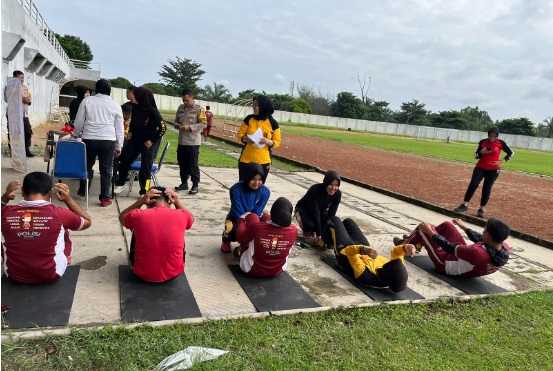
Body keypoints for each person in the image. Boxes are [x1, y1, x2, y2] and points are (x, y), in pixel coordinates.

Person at [1, 172, 92, 284]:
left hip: (14, 275)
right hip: (51, 274)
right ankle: (64, 259)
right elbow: (87, 222)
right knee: (63, 230)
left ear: (23, 191)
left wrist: (5, 197)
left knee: (7, 234)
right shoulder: (60, 214)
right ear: (50, 193)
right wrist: (68, 199)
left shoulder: (6, 212)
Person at [119, 186, 194, 282]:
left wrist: (141, 201)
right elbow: (191, 218)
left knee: (134, 226)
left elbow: (122, 217)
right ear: (169, 202)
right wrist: (177, 202)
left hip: (142, 274)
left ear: (148, 202)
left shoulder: (138, 215)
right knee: (180, 228)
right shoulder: (182, 214)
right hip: (173, 273)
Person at [394, 218, 510, 277]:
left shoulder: (477, 253)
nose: (483, 231)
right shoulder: (504, 247)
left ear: (488, 235)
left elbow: (447, 246)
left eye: (484, 230)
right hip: (464, 260)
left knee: (424, 228)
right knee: (447, 225)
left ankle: (405, 245)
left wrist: (430, 232)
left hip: (445, 264)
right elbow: (480, 238)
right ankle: (416, 242)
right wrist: (463, 227)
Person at [322, 216, 413, 292]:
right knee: (348, 222)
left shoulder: (367, 276)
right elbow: (396, 253)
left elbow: (350, 252)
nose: (388, 262)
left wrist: (363, 250)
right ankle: (332, 240)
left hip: (345, 252)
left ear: (386, 273)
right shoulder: (395, 271)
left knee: (334, 220)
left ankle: (322, 241)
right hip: (364, 249)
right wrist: (405, 247)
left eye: (388, 264)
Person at [73, 79, 124, 207]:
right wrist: (119, 146)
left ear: (96, 90)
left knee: (87, 166)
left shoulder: (87, 100)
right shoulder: (116, 105)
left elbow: (79, 121)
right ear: (109, 91)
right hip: (108, 140)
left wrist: (75, 134)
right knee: (106, 169)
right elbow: (119, 129)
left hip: (89, 139)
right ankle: (105, 198)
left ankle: (83, 191)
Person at [114, 87, 166, 196]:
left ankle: (145, 190)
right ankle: (121, 182)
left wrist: (152, 140)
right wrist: (131, 131)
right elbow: (134, 122)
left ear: (142, 97)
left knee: (145, 169)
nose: (134, 96)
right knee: (124, 160)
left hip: (147, 143)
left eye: (136, 94)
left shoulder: (152, 111)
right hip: (135, 140)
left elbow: (163, 128)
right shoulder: (136, 108)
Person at [454, 127, 514, 218]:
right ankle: (464, 205)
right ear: (488, 135)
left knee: (487, 188)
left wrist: (502, 161)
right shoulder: (482, 142)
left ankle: (481, 209)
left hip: (493, 169)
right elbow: (476, 155)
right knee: (473, 184)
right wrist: (482, 151)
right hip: (480, 167)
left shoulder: (501, 143)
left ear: (497, 136)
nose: (492, 138)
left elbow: (511, 153)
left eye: (495, 136)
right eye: (491, 136)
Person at [234, 197, 297, 277]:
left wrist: (242, 219)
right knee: (266, 217)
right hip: (277, 270)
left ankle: (243, 249)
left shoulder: (257, 227)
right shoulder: (293, 230)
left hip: (251, 269)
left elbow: (239, 238)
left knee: (252, 216)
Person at [221, 162, 270, 253]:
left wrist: (252, 223)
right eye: (253, 179)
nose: (256, 183)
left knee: (266, 220)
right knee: (231, 230)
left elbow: (258, 211)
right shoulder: (235, 189)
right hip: (236, 217)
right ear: (247, 177)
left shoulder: (265, 192)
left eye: (260, 179)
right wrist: (244, 225)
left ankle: (248, 246)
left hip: (253, 218)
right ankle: (226, 240)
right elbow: (238, 211)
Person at [237, 95, 281, 182]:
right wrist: (246, 139)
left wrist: (268, 141)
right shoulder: (248, 119)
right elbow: (240, 134)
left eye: (256, 105)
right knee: (243, 185)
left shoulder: (273, 123)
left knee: (258, 188)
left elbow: (277, 141)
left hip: (263, 162)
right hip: (246, 160)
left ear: (263, 106)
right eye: (253, 105)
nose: (254, 107)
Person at [295, 170, 342, 248]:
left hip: (321, 211)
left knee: (329, 226)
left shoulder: (337, 194)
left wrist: (326, 235)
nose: (333, 188)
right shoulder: (315, 190)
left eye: (336, 185)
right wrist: (319, 234)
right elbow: (315, 212)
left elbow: (331, 214)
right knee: (310, 226)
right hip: (304, 209)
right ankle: (307, 230)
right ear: (326, 183)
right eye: (331, 184)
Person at [174, 89, 207, 194]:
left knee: (193, 164)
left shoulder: (199, 109)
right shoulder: (180, 108)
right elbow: (175, 120)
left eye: (187, 100)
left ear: (192, 99)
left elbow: (204, 124)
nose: (185, 102)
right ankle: (184, 183)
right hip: (182, 141)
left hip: (193, 142)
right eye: (183, 100)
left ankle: (195, 185)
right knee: (182, 163)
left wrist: (190, 127)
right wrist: (177, 125)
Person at [3, 70, 34, 157]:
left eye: (22, 77)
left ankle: (26, 149)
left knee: (28, 132)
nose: (22, 80)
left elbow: (28, 97)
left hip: (24, 114)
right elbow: (7, 98)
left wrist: (28, 101)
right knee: (14, 133)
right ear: (15, 78)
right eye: (19, 78)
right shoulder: (9, 87)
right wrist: (21, 99)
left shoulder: (24, 87)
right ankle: (13, 152)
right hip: (13, 114)